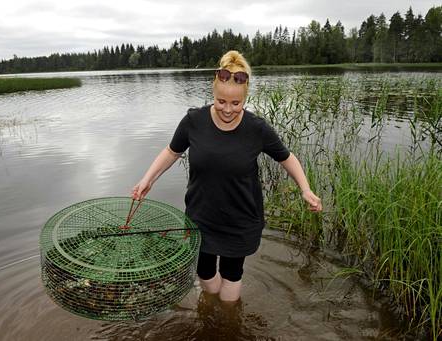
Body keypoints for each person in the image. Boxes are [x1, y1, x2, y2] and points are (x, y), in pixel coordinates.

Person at [132, 50, 322, 303]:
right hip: (202, 215)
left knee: (232, 274)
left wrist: (305, 189)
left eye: (236, 104)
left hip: (240, 217)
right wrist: (148, 179)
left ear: (245, 98)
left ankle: (227, 321)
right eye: (222, 102)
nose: (228, 109)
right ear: (213, 92)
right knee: (205, 271)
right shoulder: (193, 121)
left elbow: (286, 158)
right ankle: (211, 309)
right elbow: (171, 151)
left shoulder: (257, 129)